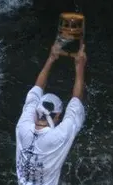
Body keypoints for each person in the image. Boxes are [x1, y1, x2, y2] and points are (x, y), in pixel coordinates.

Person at [15, 42, 87, 185]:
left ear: (36, 113)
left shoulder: (22, 127)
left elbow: (36, 90)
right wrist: (80, 67)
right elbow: (76, 101)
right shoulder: (58, 137)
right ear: (57, 117)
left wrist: (51, 58)